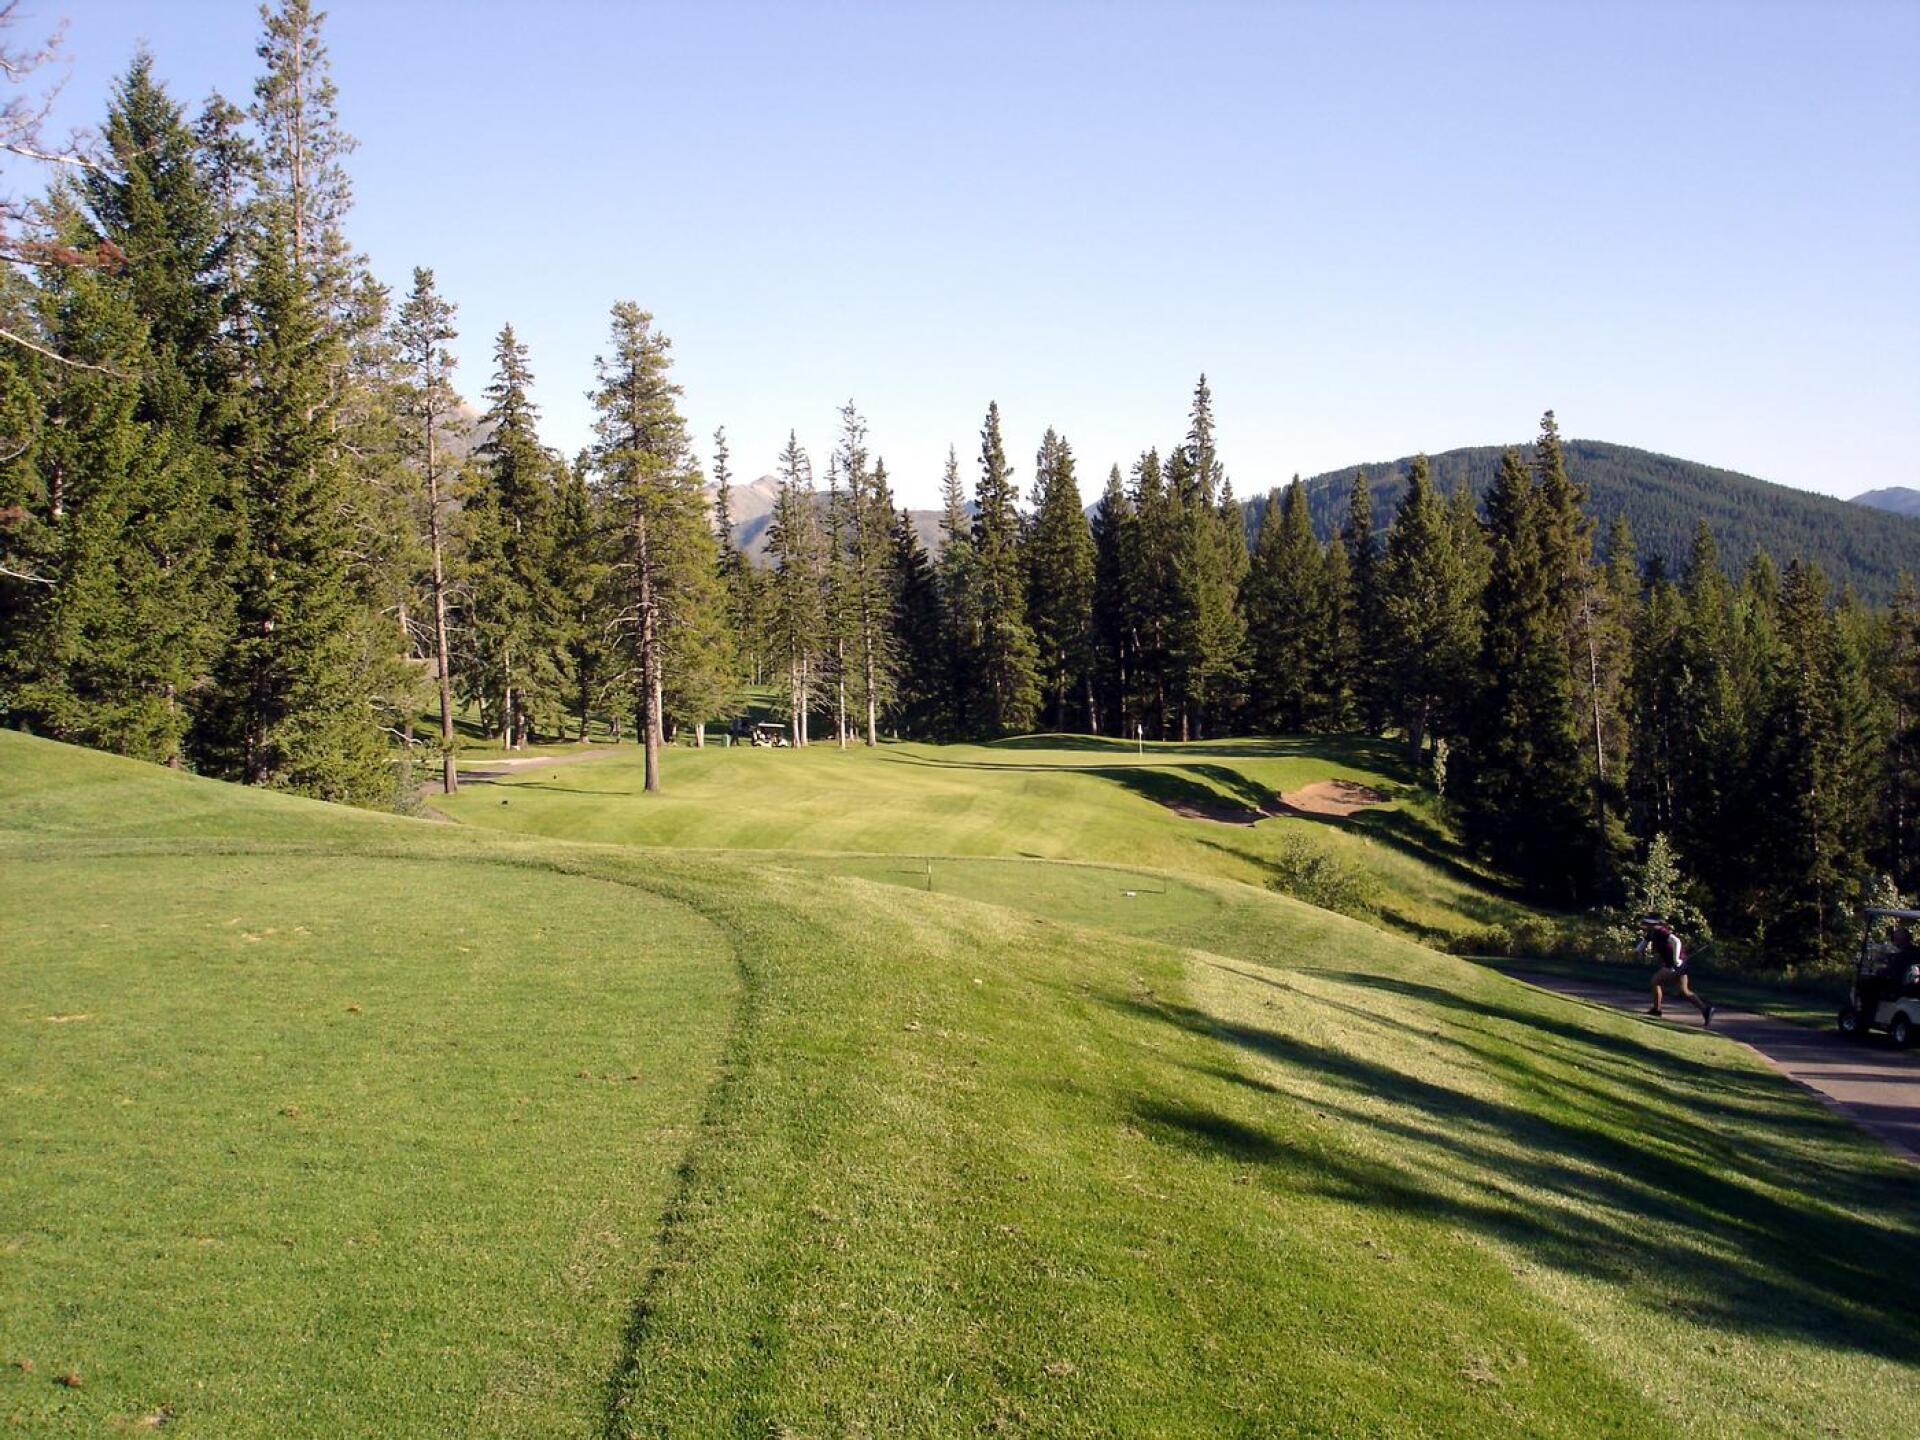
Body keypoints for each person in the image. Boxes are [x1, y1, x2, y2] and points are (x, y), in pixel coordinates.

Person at [1636, 916, 1714, 1026]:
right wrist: (1638, 950)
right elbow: (1644, 943)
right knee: (1684, 991)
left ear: (1653, 924)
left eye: (1647, 924)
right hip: (1679, 964)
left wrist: (1676, 959)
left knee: (1655, 981)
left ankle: (1656, 1009)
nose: (1645, 926)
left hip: (1675, 964)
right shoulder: (1652, 933)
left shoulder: (1661, 931)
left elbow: (1676, 941)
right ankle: (1706, 1010)